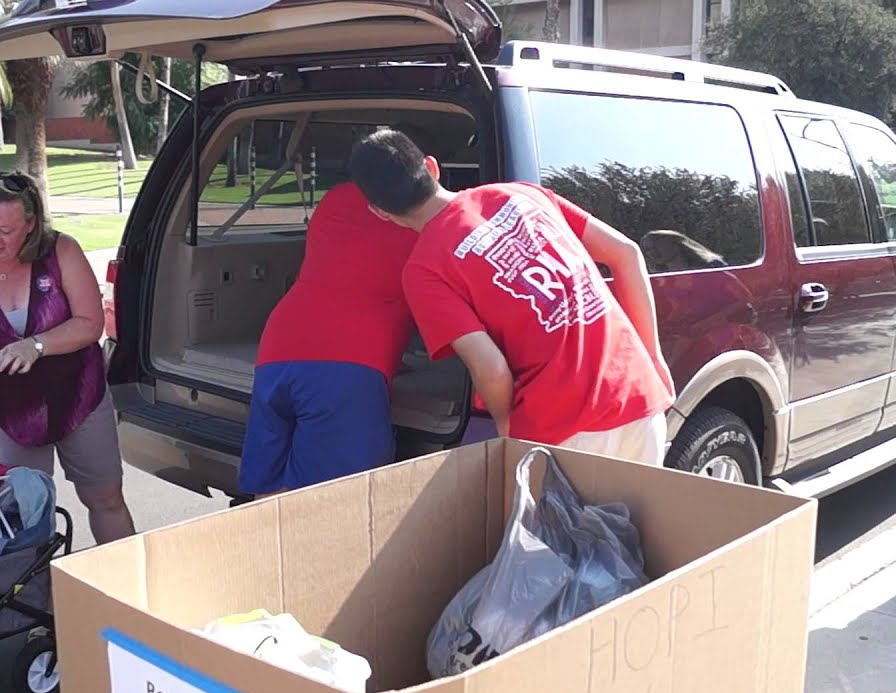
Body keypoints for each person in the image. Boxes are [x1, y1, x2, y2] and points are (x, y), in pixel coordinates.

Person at [347, 129, 675, 464]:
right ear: (432, 167)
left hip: (563, 427)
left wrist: (507, 426)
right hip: (638, 394)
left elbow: (490, 366)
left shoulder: (424, 270)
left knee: (564, 520)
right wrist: (654, 357)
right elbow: (626, 253)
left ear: (380, 212)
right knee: (642, 517)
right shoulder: (523, 194)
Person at [0, 170, 135, 543]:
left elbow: (91, 324)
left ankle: (128, 587)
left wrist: (35, 345)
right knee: (27, 511)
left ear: (31, 223)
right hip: (10, 412)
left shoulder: (61, 252)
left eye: (5, 230)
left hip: (79, 400)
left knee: (105, 498)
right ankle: (37, 594)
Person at [237, 179, 421, 498]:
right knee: (333, 505)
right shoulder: (423, 212)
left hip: (278, 349)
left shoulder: (337, 197)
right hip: (345, 365)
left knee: (267, 496)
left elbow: (351, 269)